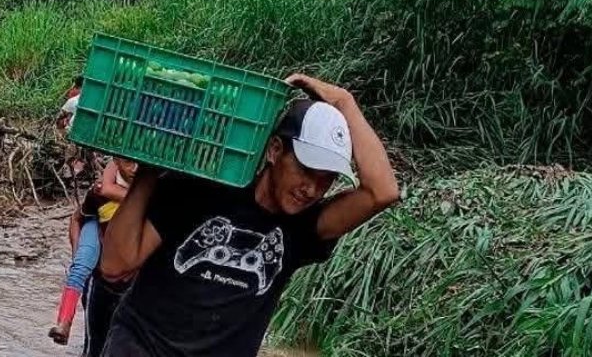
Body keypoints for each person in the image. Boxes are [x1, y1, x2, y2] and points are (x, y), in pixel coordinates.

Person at [98, 74, 400, 357]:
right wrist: (149, 170)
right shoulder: (199, 190)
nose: (312, 189)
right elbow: (115, 266)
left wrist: (344, 102)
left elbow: (382, 191)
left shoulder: (302, 229)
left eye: (327, 178)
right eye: (306, 169)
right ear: (274, 150)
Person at [49, 156, 139, 349]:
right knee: (95, 343)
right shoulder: (99, 193)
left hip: (130, 278)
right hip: (102, 277)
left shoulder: (146, 193)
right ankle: (64, 322)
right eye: (128, 163)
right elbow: (77, 218)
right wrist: (77, 254)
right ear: (117, 162)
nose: (135, 169)